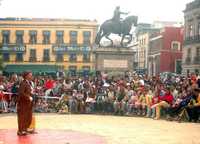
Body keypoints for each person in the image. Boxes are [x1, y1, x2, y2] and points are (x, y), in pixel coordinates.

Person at [17, 71, 35, 136]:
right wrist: (28, 97)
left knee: (28, 117)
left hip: (28, 103)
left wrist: (31, 94)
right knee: (22, 117)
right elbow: (21, 93)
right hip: (23, 104)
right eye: (30, 75)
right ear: (26, 76)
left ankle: (25, 129)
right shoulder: (23, 83)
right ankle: (20, 131)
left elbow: (28, 92)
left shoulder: (29, 83)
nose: (31, 76)